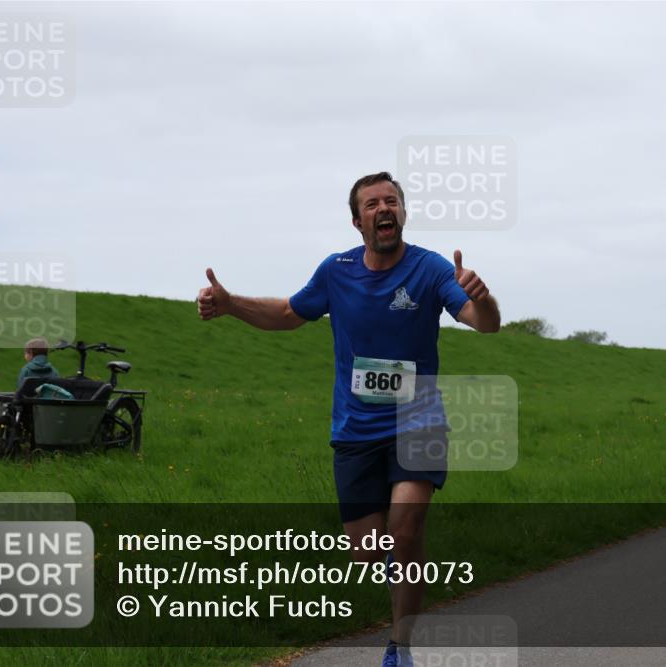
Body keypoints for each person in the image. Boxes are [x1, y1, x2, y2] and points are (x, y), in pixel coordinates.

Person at [197, 171, 500, 667]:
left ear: (402, 212)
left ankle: (400, 648)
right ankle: (404, 570)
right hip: (356, 431)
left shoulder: (430, 269)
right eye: (374, 203)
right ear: (358, 219)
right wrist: (231, 305)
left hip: (418, 421)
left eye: (393, 201)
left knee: (406, 528)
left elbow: (482, 323)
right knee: (367, 553)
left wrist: (482, 297)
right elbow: (290, 313)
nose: (385, 208)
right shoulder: (336, 271)